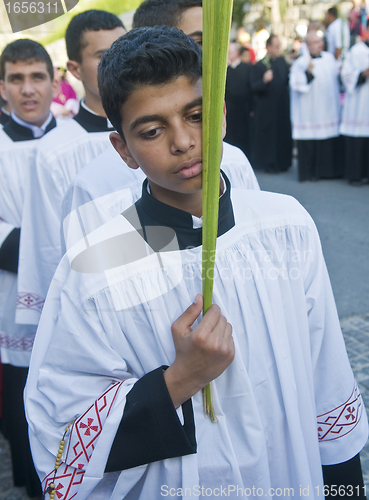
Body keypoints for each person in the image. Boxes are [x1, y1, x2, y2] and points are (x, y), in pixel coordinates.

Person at [25, 26, 368, 500]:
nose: (184, 142)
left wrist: (344, 484)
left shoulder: (284, 226)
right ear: (122, 149)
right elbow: (60, 432)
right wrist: (178, 380)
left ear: (222, 115)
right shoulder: (99, 266)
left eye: (196, 115)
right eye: (152, 130)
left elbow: (325, 370)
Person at [61, 0, 259, 256]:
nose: (183, 142)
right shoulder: (94, 188)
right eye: (197, 43)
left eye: (197, 116)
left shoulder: (280, 218)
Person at [15, 10, 125, 329]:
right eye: (103, 56)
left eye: (123, 49)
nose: (119, 63)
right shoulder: (55, 150)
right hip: (93, 313)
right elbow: (48, 245)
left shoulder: (159, 133)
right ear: (74, 69)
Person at [0, 38, 57, 498]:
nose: (28, 89)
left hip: (68, 292)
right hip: (11, 294)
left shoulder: (76, 141)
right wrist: (38, 247)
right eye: (16, 79)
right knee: (21, 401)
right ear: (2, 87)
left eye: (37, 76)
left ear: (55, 82)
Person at [290, 31, 342, 181]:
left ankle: (327, 173)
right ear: (307, 45)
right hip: (309, 111)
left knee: (327, 140)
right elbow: (296, 84)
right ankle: (309, 173)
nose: (319, 45)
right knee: (310, 140)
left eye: (320, 41)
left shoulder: (329, 59)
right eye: (315, 42)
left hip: (327, 109)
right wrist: (308, 72)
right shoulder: (301, 63)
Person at [250, 35, 292, 173]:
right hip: (267, 108)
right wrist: (264, 81)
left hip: (282, 106)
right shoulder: (260, 65)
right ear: (268, 47)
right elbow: (253, 87)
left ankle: (283, 162)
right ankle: (270, 164)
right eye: (276, 46)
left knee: (282, 133)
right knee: (270, 136)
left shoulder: (282, 62)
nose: (278, 49)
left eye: (279, 46)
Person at [340, 34, 369, 183]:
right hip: (359, 104)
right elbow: (345, 75)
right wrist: (363, 73)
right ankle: (356, 175)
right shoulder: (357, 50)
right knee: (359, 138)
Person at [224, 43, 253, 157]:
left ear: (236, 53)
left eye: (231, 51)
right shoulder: (226, 70)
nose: (229, 54)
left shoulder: (247, 68)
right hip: (230, 109)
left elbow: (250, 88)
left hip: (244, 108)